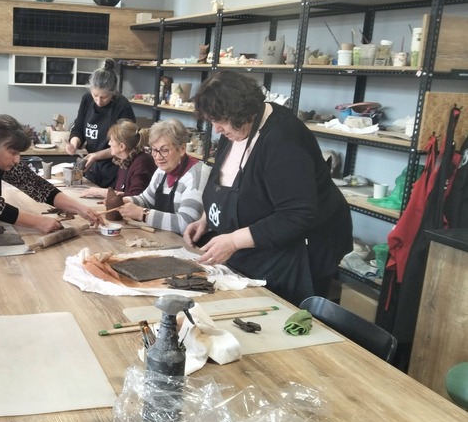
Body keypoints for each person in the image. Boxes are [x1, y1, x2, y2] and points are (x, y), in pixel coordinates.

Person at [184, 70, 352, 304]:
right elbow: (225, 182)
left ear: (241, 112)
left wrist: (233, 241)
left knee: (282, 312)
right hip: (262, 245)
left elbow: (296, 214)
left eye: (219, 121)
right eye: (212, 121)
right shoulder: (235, 130)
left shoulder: (283, 139)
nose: (217, 129)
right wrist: (208, 219)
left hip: (301, 249)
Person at [0, 114, 102, 233]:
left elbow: (37, 185)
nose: (17, 159)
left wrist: (80, 208)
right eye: (13, 152)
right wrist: (39, 222)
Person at [117, 118, 205, 235]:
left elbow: (186, 223)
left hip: (190, 243)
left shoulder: (197, 174)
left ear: (182, 149)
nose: (158, 157)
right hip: (167, 237)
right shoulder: (162, 171)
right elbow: (147, 200)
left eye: (164, 150)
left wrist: (142, 214)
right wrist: (125, 201)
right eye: (154, 150)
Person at [66, 58, 136, 188]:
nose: (98, 101)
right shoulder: (87, 99)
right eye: (95, 95)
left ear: (113, 92)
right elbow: (78, 128)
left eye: (104, 97)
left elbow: (125, 144)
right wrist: (74, 143)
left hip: (114, 169)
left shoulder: (122, 106)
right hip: (92, 167)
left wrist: (97, 155)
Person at [79, 118, 156, 199]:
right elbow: (120, 192)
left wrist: (101, 192)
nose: (109, 143)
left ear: (122, 146)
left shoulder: (142, 163)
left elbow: (136, 198)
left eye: (112, 141)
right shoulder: (125, 160)